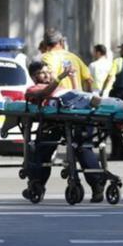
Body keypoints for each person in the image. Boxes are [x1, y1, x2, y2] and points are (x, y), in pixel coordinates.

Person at [25, 61, 105, 203]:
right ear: (33, 77)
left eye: (47, 71)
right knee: (42, 151)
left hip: (71, 113)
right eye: (42, 73)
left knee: (82, 148)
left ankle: (97, 185)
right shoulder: (33, 89)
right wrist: (61, 76)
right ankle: (37, 184)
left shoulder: (59, 87)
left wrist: (73, 78)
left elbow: (75, 92)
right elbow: (45, 93)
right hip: (52, 122)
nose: (46, 75)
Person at [41, 28, 94, 92]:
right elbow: (89, 80)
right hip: (76, 98)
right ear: (61, 42)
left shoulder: (45, 57)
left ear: (45, 44)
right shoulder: (74, 57)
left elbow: (49, 78)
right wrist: (89, 96)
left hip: (57, 99)